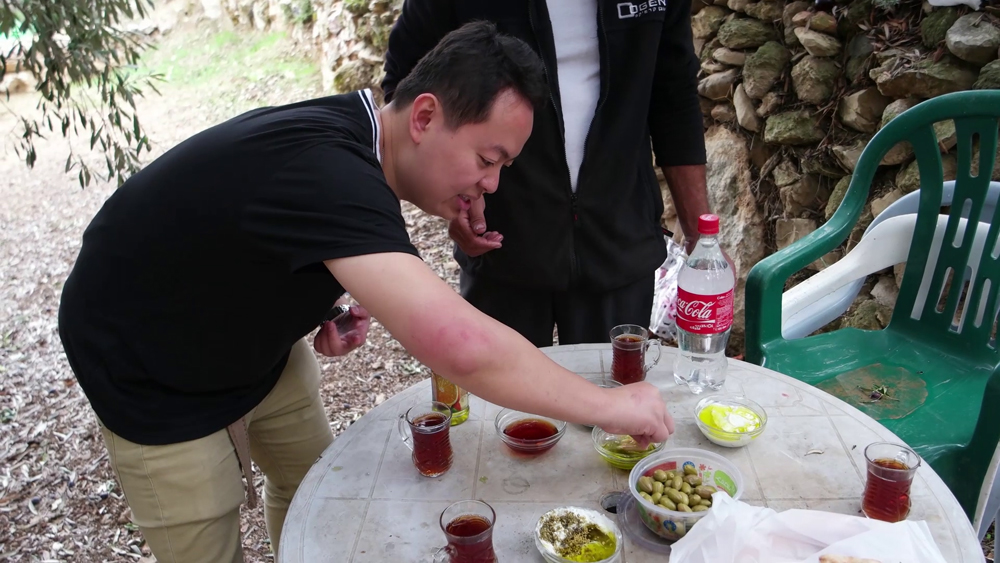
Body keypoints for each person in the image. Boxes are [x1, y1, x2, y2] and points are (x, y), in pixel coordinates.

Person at [57, 22, 675, 563]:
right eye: (488, 159)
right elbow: (459, 344)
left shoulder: (359, 134)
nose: (490, 184)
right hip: (151, 368)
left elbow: (246, 226)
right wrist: (612, 407)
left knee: (313, 494)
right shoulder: (333, 174)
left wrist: (314, 299)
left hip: (255, 346)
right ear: (426, 116)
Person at [382, 0, 724, 348]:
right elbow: (406, 89)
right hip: (502, 241)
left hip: (620, 237)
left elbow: (674, 93)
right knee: (501, 393)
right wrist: (462, 195)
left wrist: (702, 237)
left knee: (614, 390)